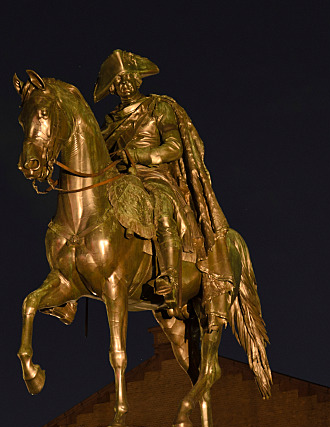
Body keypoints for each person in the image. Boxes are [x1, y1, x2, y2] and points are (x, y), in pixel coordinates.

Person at [94, 50, 234, 327]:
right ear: (112, 88)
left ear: (138, 80)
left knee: (160, 204)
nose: (124, 84)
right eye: (118, 80)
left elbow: (174, 147)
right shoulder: (109, 121)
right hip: (119, 178)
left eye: (128, 78)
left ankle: (169, 275)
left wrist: (140, 155)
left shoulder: (158, 107)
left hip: (154, 175)